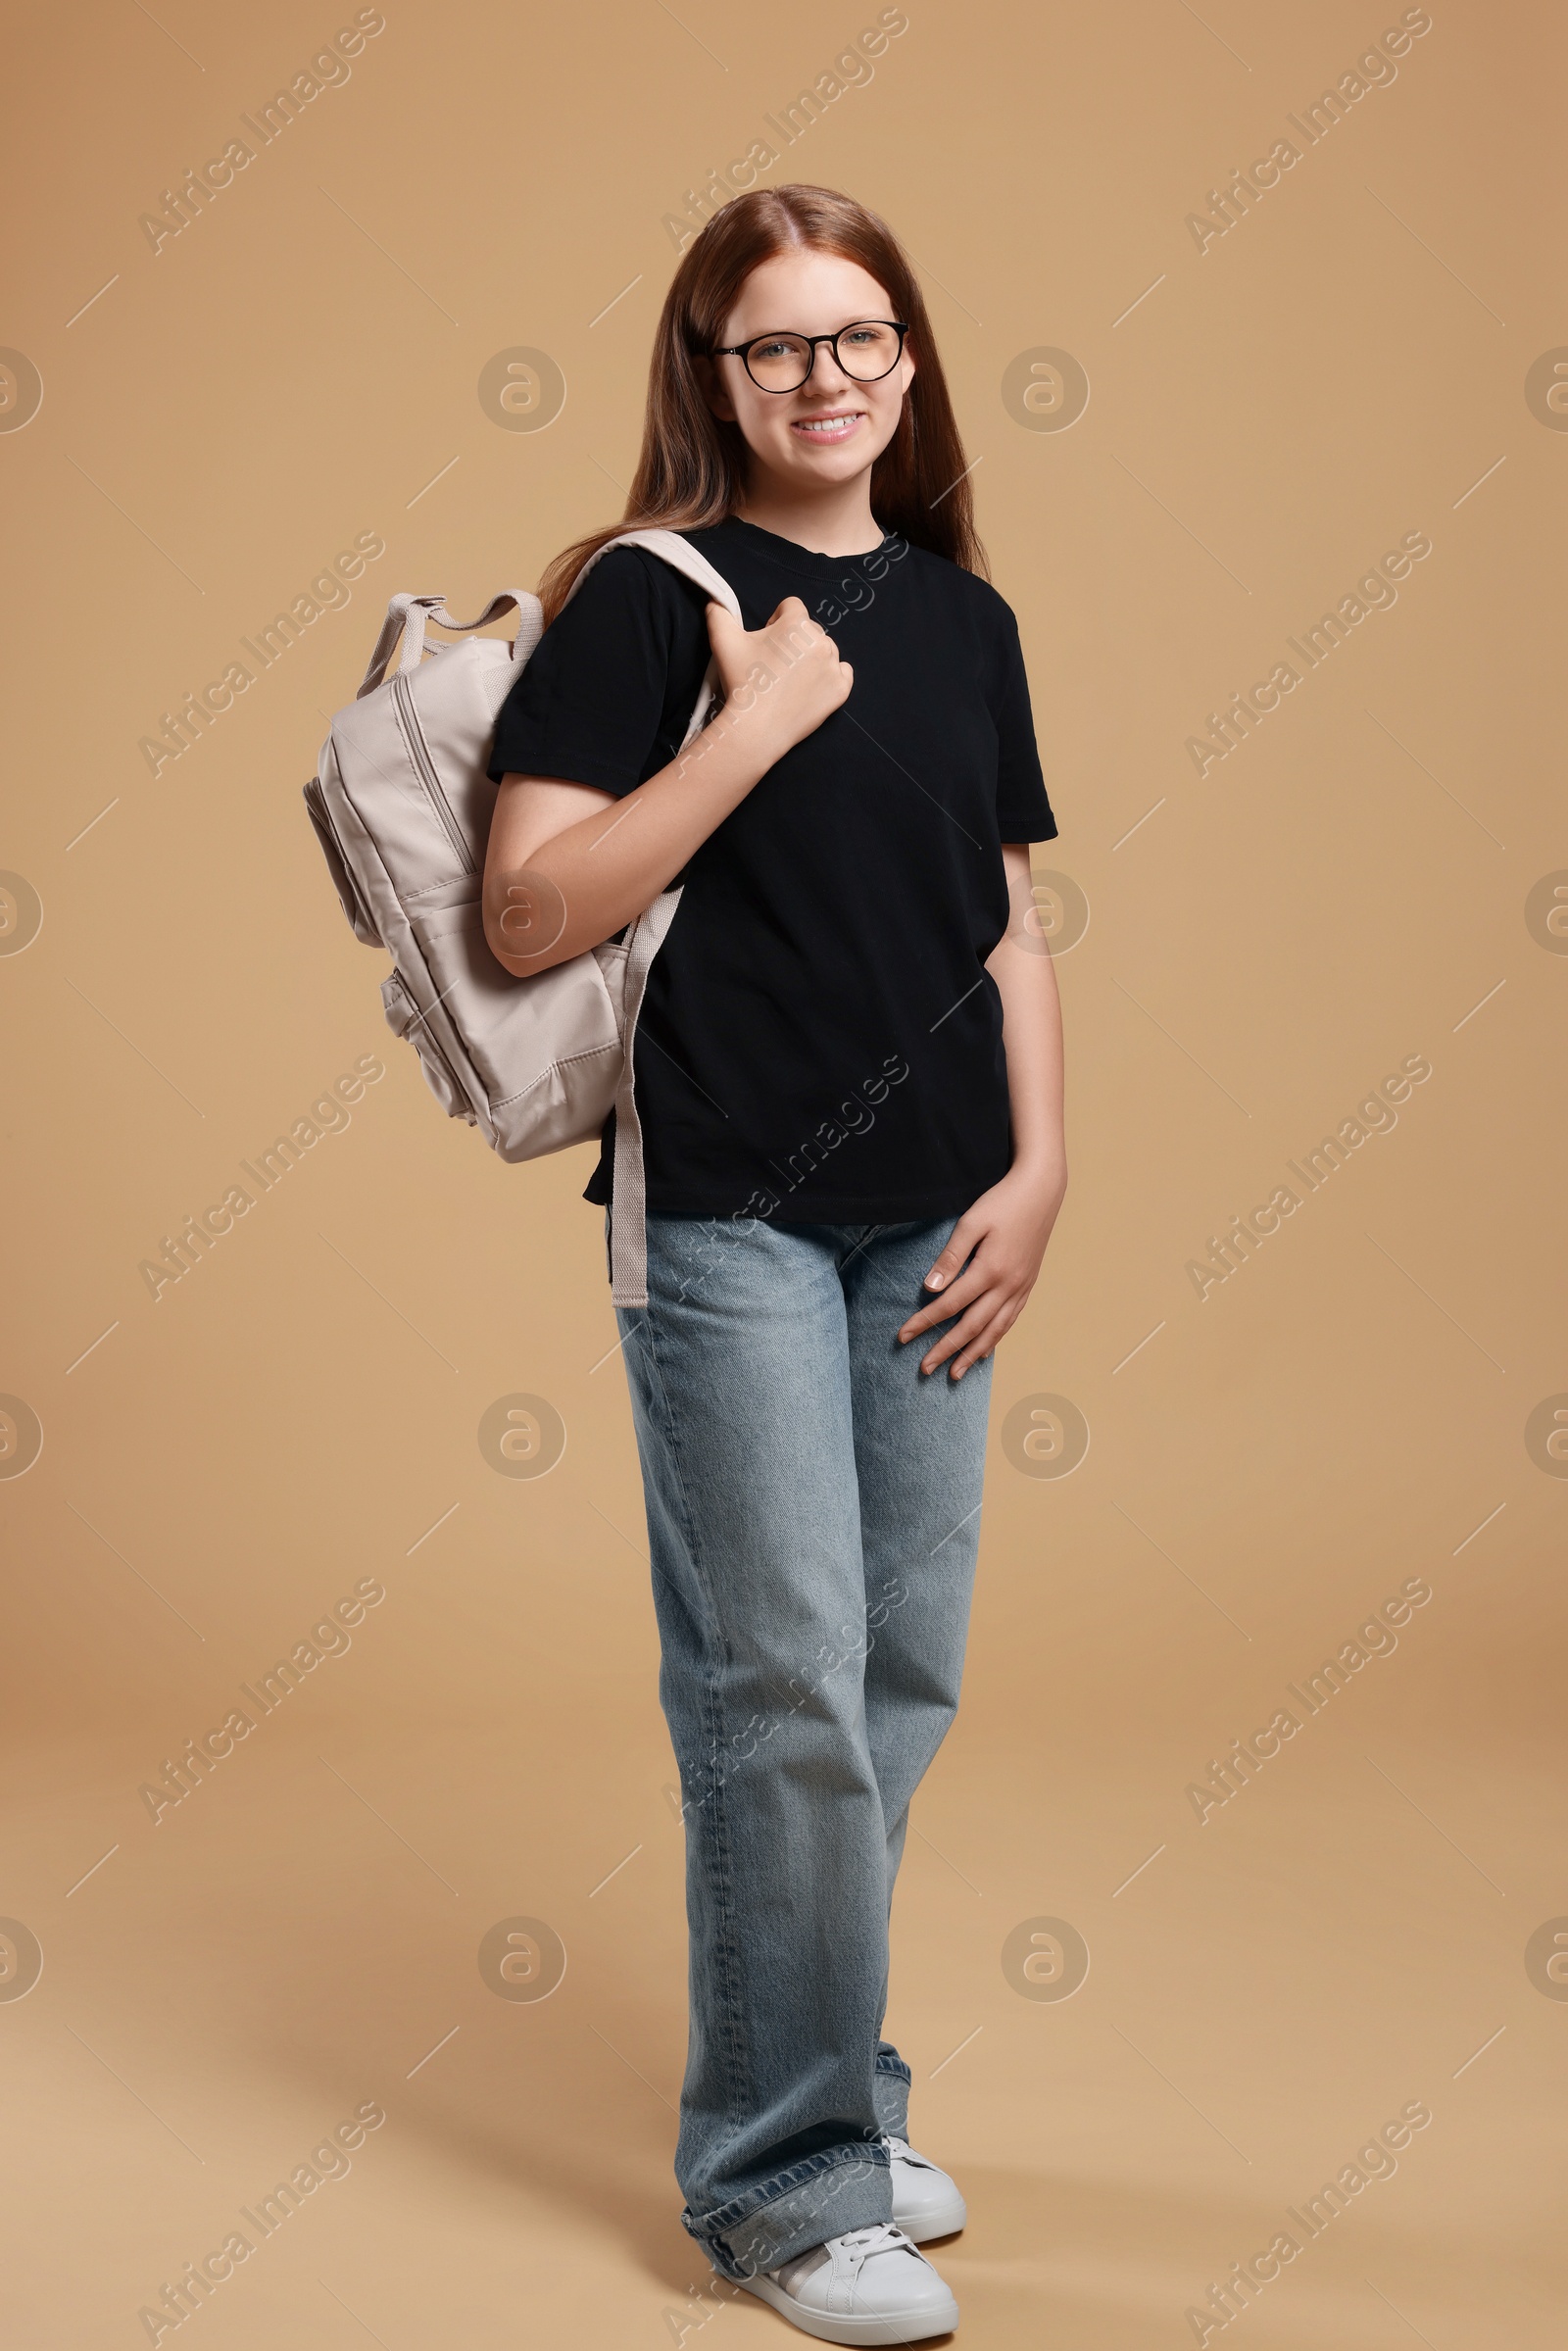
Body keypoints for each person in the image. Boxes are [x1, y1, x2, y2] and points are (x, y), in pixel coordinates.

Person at [482, 182, 1065, 2345]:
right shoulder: (651, 601)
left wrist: (1042, 1169)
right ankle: (781, 2179)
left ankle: (831, 2089)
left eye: (862, 336)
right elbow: (529, 914)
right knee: (780, 1687)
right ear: (709, 372)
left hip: (937, 1208)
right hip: (722, 1205)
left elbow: (1003, 924)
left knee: (888, 1683)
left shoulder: (963, 617)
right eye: (778, 343)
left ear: (906, 360)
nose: (826, 376)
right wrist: (748, 722)